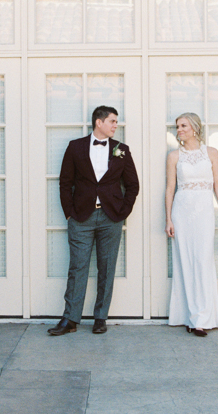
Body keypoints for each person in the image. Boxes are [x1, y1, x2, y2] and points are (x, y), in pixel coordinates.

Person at [48, 106, 140, 336]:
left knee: (107, 268)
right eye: (112, 121)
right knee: (77, 267)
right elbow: (64, 182)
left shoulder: (122, 150)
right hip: (81, 217)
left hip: (111, 218)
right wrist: (69, 212)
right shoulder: (75, 147)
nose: (115, 125)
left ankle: (100, 317)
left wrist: (123, 211)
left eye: (116, 122)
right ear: (99, 122)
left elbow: (133, 185)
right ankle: (70, 319)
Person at [165, 112, 218, 337]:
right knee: (185, 261)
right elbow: (170, 189)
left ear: (194, 127)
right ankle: (191, 317)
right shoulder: (174, 156)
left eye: (183, 125)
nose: (179, 130)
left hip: (204, 212)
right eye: (177, 127)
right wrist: (168, 219)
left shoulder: (211, 153)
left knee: (202, 260)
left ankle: (203, 317)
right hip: (182, 212)